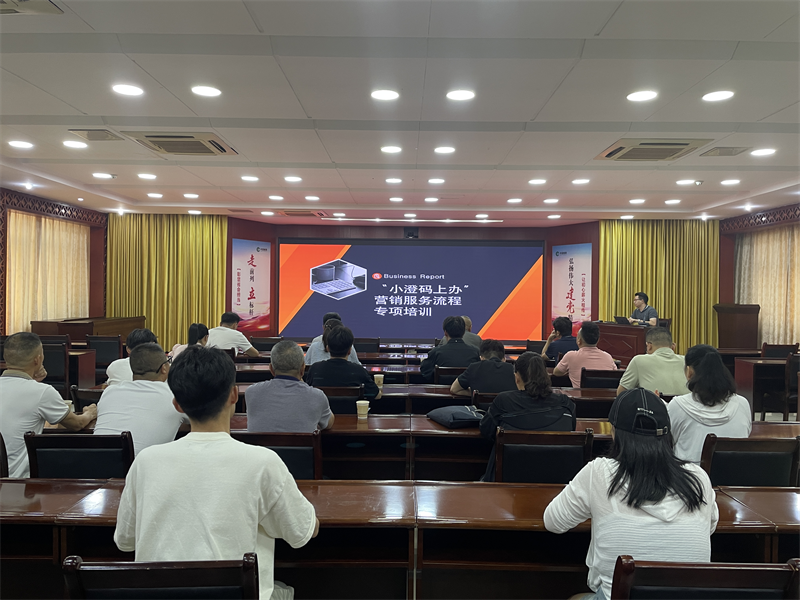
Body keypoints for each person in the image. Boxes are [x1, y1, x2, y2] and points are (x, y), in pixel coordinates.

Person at [114, 345, 319, 600]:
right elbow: (303, 532)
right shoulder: (263, 462)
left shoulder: (145, 462)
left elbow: (125, 541)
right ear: (234, 395)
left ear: (177, 404)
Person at [544, 389, 718, 600]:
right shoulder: (698, 477)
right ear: (667, 434)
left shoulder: (599, 473)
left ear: (614, 432)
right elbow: (709, 526)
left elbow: (553, 522)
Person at [0, 332, 97, 478]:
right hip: (17, 482)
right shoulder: (42, 392)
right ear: (38, 359)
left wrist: (34, 380)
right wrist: (90, 413)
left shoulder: (37, 390)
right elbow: (76, 424)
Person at [94, 342, 190, 456]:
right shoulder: (174, 395)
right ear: (164, 368)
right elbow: (200, 421)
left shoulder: (110, 392)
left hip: (95, 462)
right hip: (142, 465)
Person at [668, 344, 752, 463]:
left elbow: (668, 443)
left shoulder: (678, 405)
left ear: (689, 371)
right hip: (734, 472)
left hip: (690, 474)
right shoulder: (742, 403)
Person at [479, 352, 576, 442]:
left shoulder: (503, 401)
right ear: (546, 375)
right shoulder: (565, 403)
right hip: (557, 455)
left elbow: (486, 430)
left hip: (513, 455)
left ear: (517, 378)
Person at [247, 340, 334, 432]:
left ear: (271, 369)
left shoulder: (251, 392)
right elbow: (329, 424)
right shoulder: (317, 396)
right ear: (302, 369)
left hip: (261, 442)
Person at [305, 326, 381, 399]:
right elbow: (376, 395)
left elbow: (306, 393)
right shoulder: (359, 371)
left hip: (321, 408)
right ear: (350, 351)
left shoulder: (315, 369)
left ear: (328, 349)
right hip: (351, 408)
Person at [617, 327, 689, 396]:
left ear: (649, 346)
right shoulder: (687, 361)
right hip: (685, 405)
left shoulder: (638, 360)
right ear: (673, 346)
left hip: (653, 404)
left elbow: (621, 393)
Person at [553, 321, 617, 388]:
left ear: (579, 340)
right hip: (605, 394)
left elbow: (556, 372)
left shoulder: (570, 356)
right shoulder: (608, 357)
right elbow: (615, 374)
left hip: (579, 395)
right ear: (598, 340)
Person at [420, 316, 480, 382]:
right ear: (463, 333)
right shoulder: (475, 352)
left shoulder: (436, 352)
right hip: (466, 388)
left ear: (445, 333)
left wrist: (423, 362)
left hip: (441, 387)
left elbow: (425, 372)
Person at [450, 339, 516, 396]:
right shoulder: (513, 370)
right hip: (507, 407)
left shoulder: (474, 367)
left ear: (481, 358)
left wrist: (474, 393)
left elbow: (454, 389)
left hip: (480, 407)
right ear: (504, 359)